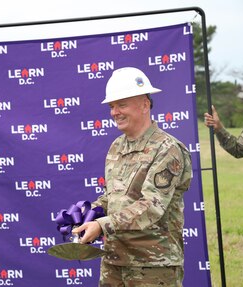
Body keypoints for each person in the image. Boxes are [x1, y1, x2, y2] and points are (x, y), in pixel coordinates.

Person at [72, 67, 192, 286]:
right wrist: (89, 214)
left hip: (153, 265)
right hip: (114, 261)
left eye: (122, 104)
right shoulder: (116, 147)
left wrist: (102, 224)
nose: (114, 112)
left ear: (145, 105)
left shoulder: (167, 149)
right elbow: (114, 196)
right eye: (112, 106)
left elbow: (151, 206)